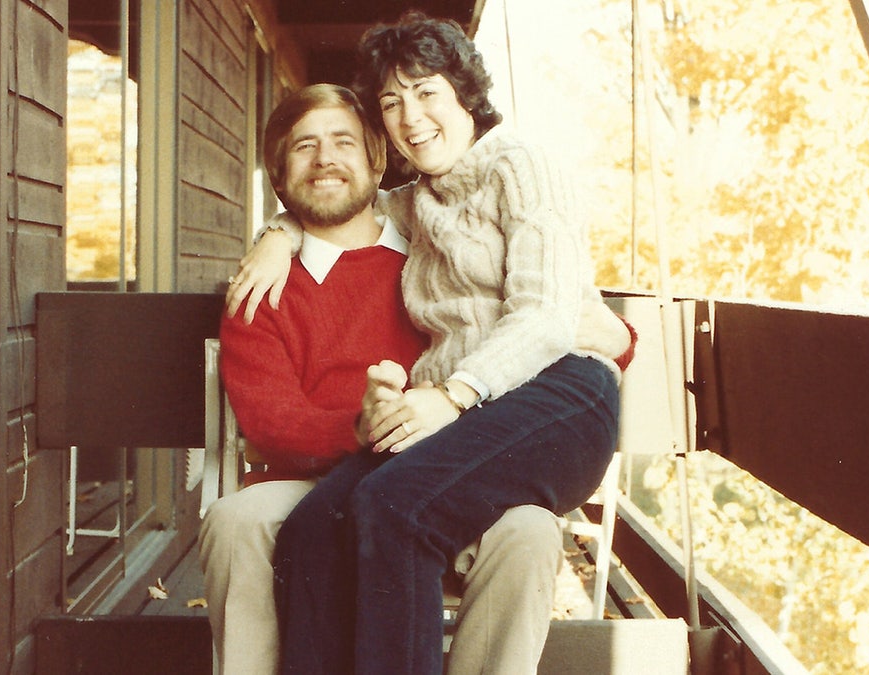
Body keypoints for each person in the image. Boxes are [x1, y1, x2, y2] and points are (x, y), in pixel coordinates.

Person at [231, 12, 634, 675]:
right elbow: (332, 204)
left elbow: (546, 315)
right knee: (312, 531)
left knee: (394, 508)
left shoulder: (525, 166)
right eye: (391, 101)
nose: (410, 115)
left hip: (557, 398)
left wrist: (452, 394)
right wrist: (276, 232)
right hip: (468, 412)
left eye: (426, 92)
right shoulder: (416, 200)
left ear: (465, 96)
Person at [197, 83, 569, 675]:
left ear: (377, 159)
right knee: (234, 521)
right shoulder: (262, 287)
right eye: (304, 147)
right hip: (313, 488)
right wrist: (362, 427)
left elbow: (542, 320)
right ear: (278, 175)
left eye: (344, 142)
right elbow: (271, 423)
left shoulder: (443, 251)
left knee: (529, 529)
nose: (325, 159)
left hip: (447, 478)